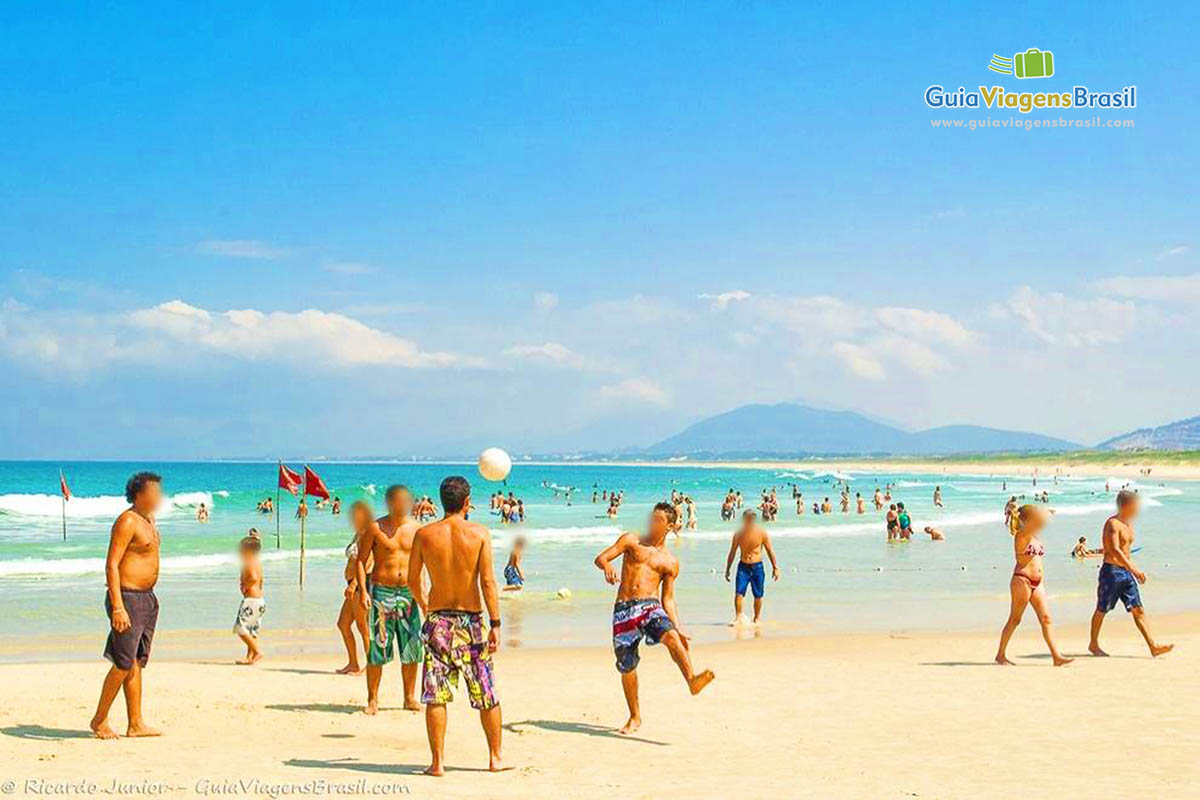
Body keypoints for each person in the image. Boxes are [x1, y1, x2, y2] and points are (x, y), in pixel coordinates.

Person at [407, 476, 504, 776]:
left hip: (438, 621)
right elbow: (487, 581)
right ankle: (495, 758)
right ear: (466, 502)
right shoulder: (479, 534)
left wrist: (425, 605)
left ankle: (437, 763)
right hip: (471, 621)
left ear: (442, 500)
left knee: (436, 694)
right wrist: (496, 623)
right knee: (485, 691)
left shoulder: (424, 534)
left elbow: (412, 579)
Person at [593, 502, 715, 735]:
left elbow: (668, 599)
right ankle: (635, 717)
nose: (652, 522)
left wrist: (678, 627)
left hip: (650, 606)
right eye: (652, 517)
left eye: (658, 520)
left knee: (671, 636)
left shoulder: (670, 562)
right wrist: (607, 567)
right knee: (627, 667)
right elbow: (601, 558)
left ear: (669, 526)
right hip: (624, 609)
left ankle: (692, 680)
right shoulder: (631, 541)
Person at [90, 472, 164, 739]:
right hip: (127, 597)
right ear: (138, 494)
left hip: (147, 597)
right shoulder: (127, 520)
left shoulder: (149, 520)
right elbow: (111, 564)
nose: (159, 497)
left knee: (135, 662)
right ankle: (99, 720)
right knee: (122, 663)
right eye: (154, 493)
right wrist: (118, 606)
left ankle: (135, 723)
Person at [357, 488, 423, 714]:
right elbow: (360, 560)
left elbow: (423, 565)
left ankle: (409, 697)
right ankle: (373, 699)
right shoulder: (376, 528)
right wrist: (364, 591)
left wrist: (424, 596)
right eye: (397, 500)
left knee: (412, 648)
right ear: (388, 502)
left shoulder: (417, 530)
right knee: (377, 648)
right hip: (382, 593)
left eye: (405, 500)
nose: (402, 504)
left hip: (408, 593)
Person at [1088, 491, 1173, 658]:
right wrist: (1134, 568)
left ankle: (1153, 646)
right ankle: (1093, 644)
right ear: (1126, 505)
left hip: (1126, 572)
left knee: (1138, 609)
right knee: (1102, 609)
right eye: (1136, 505)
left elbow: (1125, 550)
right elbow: (1114, 549)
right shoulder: (1112, 524)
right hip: (1111, 572)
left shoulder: (1129, 524)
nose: (1138, 508)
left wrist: (1130, 569)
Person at [995, 505, 1072, 667]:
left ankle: (1056, 656)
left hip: (1037, 583)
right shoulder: (1021, 535)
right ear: (1028, 520)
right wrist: (1045, 512)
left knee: (1046, 619)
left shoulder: (1034, 536)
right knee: (1015, 619)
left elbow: (1040, 523)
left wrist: (1046, 512)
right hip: (1022, 580)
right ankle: (1000, 655)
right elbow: (1040, 522)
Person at [723, 510, 780, 626]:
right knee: (739, 592)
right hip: (743, 566)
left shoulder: (761, 533)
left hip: (757, 566)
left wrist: (775, 567)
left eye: (752, 518)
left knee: (758, 594)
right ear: (744, 519)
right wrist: (728, 569)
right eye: (748, 518)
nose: (751, 521)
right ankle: (738, 617)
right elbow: (732, 552)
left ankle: (757, 618)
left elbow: (770, 550)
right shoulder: (739, 534)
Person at [336, 526, 371, 675]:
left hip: (360, 586)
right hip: (352, 585)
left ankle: (371, 666)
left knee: (363, 627)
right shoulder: (359, 534)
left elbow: (368, 563)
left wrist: (354, 584)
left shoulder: (369, 534)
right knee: (343, 624)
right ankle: (353, 663)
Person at [233, 531, 266, 665]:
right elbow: (260, 580)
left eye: (241, 550)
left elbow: (252, 577)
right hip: (259, 600)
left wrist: (245, 586)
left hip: (251, 600)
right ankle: (250, 656)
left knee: (240, 628)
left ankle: (257, 651)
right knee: (252, 630)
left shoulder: (249, 562)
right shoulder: (257, 563)